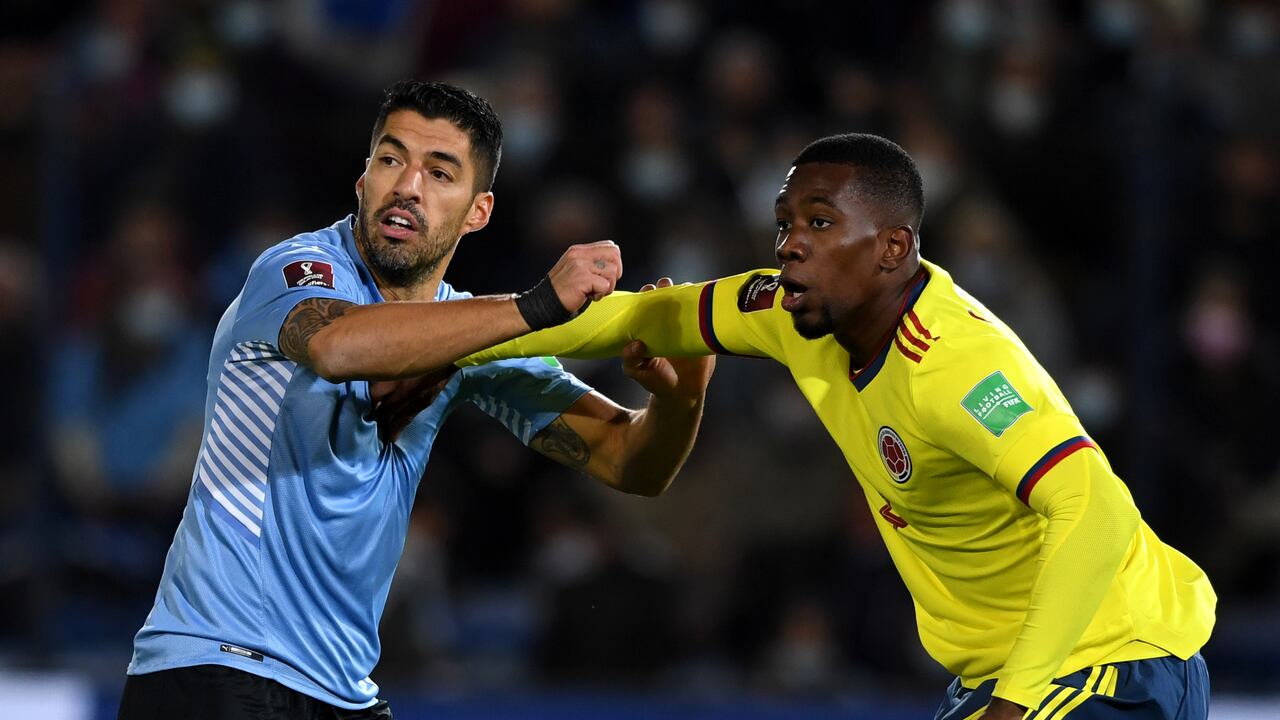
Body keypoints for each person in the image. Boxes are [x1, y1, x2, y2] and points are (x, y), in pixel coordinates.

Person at [462, 133, 1216, 719]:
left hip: (1105, 658)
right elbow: (635, 317)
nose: (790, 242)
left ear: (893, 247)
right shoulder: (791, 313)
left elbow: (1095, 512)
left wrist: (1014, 705)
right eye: (785, 222)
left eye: (820, 223)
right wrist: (441, 334)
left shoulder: (958, 368)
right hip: (1017, 668)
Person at [118, 80, 714, 720]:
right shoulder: (294, 271)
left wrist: (684, 398)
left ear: (478, 211)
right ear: (361, 180)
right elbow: (339, 348)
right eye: (391, 159)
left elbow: (631, 462)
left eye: (439, 172)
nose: (407, 186)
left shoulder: (470, 331)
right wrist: (536, 307)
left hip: (341, 692)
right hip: (216, 666)